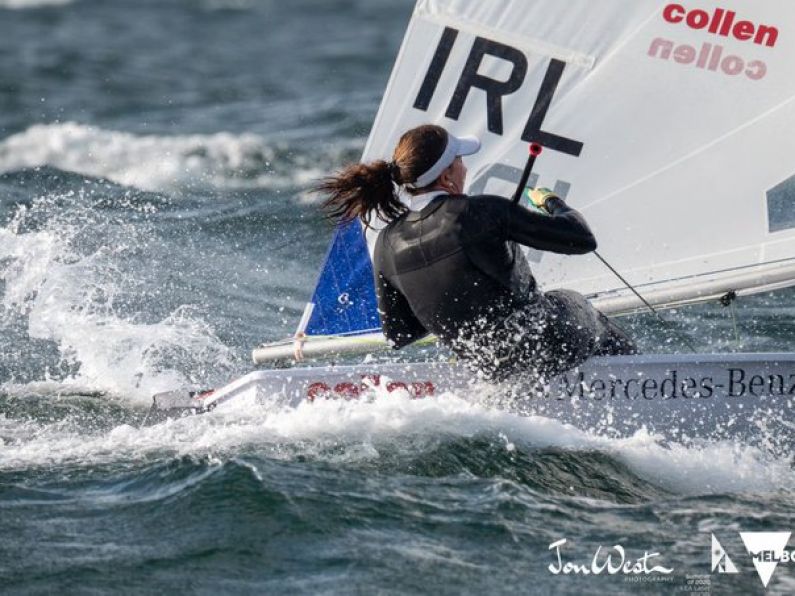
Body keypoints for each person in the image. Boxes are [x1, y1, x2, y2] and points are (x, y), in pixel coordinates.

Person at [318, 124, 637, 381]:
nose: (464, 167)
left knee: (506, 341)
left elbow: (399, 334)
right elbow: (581, 239)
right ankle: (643, 378)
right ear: (446, 176)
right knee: (575, 303)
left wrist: (454, 308)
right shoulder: (479, 211)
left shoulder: (386, 243)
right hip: (543, 343)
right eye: (459, 160)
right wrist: (552, 202)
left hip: (486, 365)